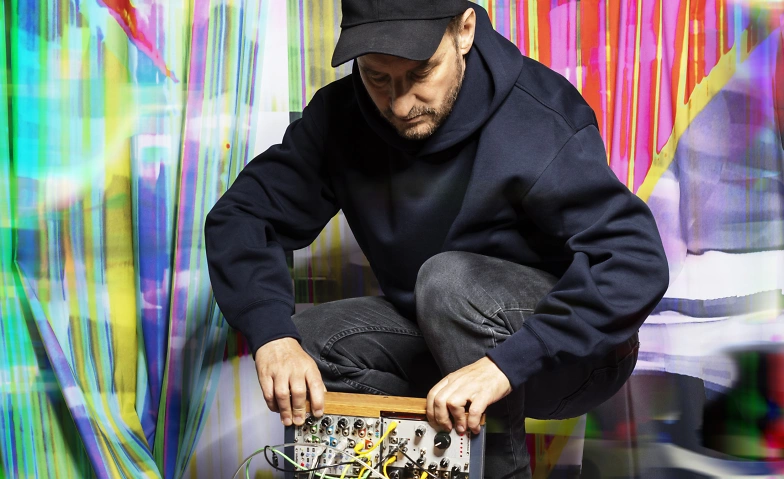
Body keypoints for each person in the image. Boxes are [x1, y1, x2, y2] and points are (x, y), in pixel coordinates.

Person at [204, 0, 670, 477]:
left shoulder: (538, 116)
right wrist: (272, 336)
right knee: (308, 344)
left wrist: (505, 365)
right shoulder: (340, 117)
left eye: (421, 73)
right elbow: (242, 215)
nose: (400, 104)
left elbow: (634, 262)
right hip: (443, 337)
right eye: (378, 77)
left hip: (570, 356)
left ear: (464, 31)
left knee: (447, 282)